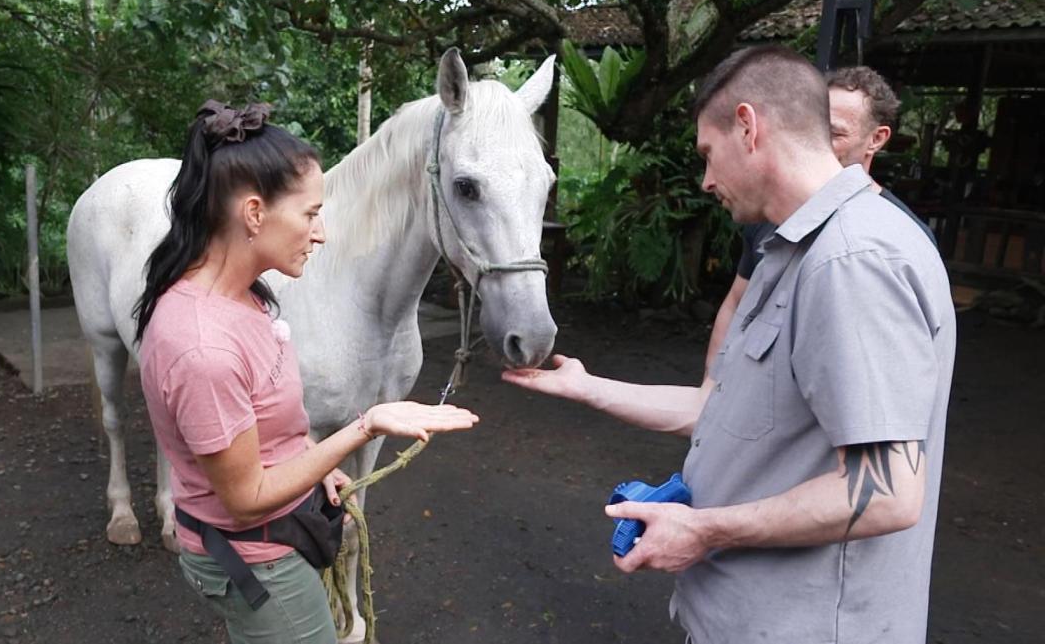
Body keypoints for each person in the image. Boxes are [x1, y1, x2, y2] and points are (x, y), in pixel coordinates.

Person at [504, 46, 955, 643]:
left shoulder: (853, 261)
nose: (706, 180)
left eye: (707, 155)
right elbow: (726, 413)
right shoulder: (788, 250)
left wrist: (704, 529)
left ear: (748, 127)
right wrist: (587, 387)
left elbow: (887, 492)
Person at [135, 100, 478, 644]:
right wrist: (364, 428)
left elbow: (259, 428)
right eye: (311, 214)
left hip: (264, 548)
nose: (320, 234)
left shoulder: (241, 297)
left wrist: (309, 462)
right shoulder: (202, 348)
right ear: (253, 214)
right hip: (257, 561)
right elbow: (245, 497)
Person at [704, 65, 936, 374]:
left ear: (876, 139)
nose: (818, 144)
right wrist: (710, 385)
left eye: (835, 134)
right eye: (814, 130)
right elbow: (736, 302)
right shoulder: (771, 211)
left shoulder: (890, 241)